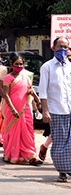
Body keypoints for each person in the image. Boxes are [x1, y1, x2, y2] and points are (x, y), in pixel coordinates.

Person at [39, 37, 71, 182]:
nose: (63, 50)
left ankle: (69, 168)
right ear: (53, 48)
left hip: (69, 109)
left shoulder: (70, 66)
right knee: (59, 142)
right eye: (60, 46)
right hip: (55, 110)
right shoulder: (47, 67)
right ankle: (62, 171)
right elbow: (43, 91)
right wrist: (45, 111)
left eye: (66, 47)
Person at [2, 55, 43, 165]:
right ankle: (12, 154)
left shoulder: (25, 77)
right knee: (13, 132)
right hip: (13, 108)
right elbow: (6, 95)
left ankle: (31, 155)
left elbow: (30, 90)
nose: (19, 66)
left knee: (28, 132)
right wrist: (12, 109)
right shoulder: (8, 78)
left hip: (25, 108)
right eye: (17, 64)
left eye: (21, 64)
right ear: (12, 64)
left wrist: (38, 99)